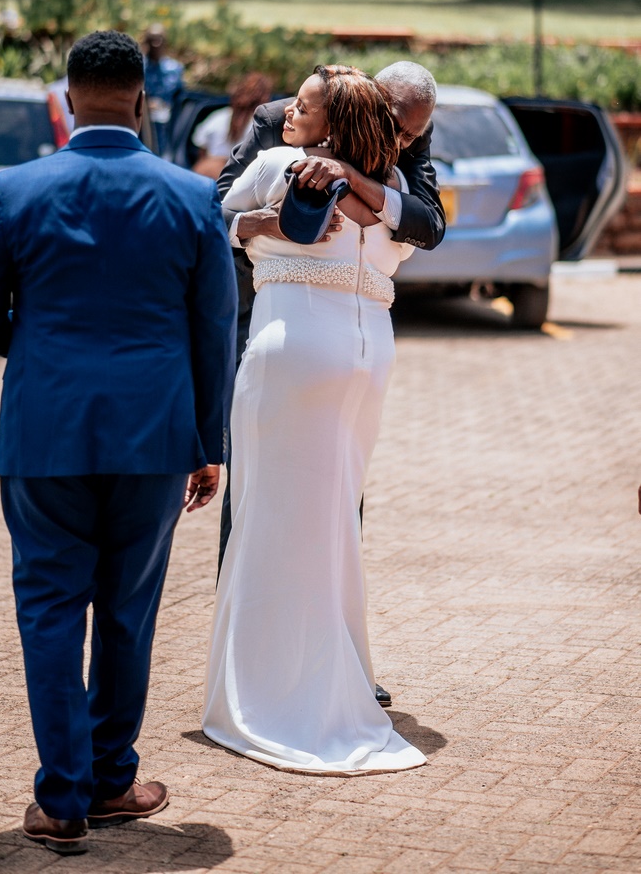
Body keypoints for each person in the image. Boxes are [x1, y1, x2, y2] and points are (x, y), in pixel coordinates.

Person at [0, 30, 237, 855]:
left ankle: (64, 798)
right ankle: (111, 780)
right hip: (155, 436)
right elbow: (214, 331)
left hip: (45, 431)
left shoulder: (16, 188)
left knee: (49, 610)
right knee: (126, 613)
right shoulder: (192, 196)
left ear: (69, 97)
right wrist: (208, 441)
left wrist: (42, 357)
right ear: (142, 99)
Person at [202, 64, 427, 774]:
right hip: (367, 360)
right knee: (332, 520)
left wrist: (250, 224)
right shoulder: (392, 189)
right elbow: (414, 230)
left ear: (333, 122)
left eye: (302, 105)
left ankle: (265, 692)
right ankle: (338, 674)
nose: (287, 115)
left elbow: (199, 223)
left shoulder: (280, 165)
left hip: (293, 351)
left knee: (267, 517)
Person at [192, 72, 272, 179]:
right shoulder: (261, 127)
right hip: (233, 180)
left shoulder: (216, 117)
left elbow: (201, 152)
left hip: (204, 175)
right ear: (264, 98)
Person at [140, 23, 184, 155]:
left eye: (159, 39)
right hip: (143, 124)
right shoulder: (139, 67)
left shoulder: (175, 68)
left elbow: (180, 97)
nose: (156, 44)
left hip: (167, 125)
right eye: (152, 39)